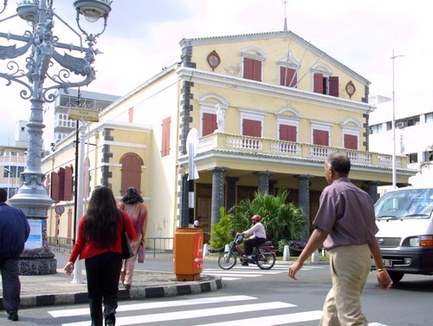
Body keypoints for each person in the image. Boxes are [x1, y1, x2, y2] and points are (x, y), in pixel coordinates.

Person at [288, 152, 393, 325]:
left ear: (330, 171)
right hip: (363, 258)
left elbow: (321, 231)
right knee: (332, 309)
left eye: (324, 170)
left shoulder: (332, 191)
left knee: (350, 315)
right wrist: (380, 268)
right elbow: (371, 237)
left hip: (345, 259)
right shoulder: (363, 195)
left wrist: (299, 261)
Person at [64, 186, 135, 326]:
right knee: (110, 292)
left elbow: (79, 242)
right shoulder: (121, 216)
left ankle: (96, 323)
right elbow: (132, 235)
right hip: (114, 258)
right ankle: (109, 319)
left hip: (92, 259)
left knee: (94, 293)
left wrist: (71, 261)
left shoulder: (86, 218)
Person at [0, 188, 30, 322]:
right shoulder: (17, 212)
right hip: (12, 253)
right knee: (11, 281)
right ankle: (12, 311)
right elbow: (26, 230)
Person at [118, 187, 148, 290]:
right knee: (131, 259)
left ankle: (121, 277)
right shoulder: (142, 207)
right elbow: (144, 224)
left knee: (121, 258)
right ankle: (128, 280)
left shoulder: (121, 205)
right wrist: (143, 236)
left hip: (122, 235)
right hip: (136, 236)